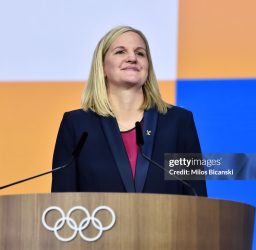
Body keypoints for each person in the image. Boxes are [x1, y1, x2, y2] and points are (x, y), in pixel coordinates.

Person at [51, 26, 207, 196]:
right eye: (120, 52)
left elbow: (196, 197)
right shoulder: (77, 125)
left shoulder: (178, 122)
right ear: (102, 66)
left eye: (140, 53)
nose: (132, 58)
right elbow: (62, 205)